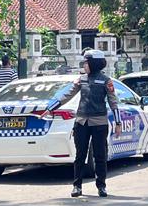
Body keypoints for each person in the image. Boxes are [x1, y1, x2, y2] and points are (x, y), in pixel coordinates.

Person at [42, 49, 120, 198]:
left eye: (86, 62)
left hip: (99, 122)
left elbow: (113, 102)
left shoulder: (106, 81)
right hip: (81, 121)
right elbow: (67, 94)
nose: (84, 65)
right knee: (80, 155)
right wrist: (50, 108)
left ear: (94, 64)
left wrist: (118, 123)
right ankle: (77, 186)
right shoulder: (81, 79)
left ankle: (101, 186)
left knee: (100, 156)